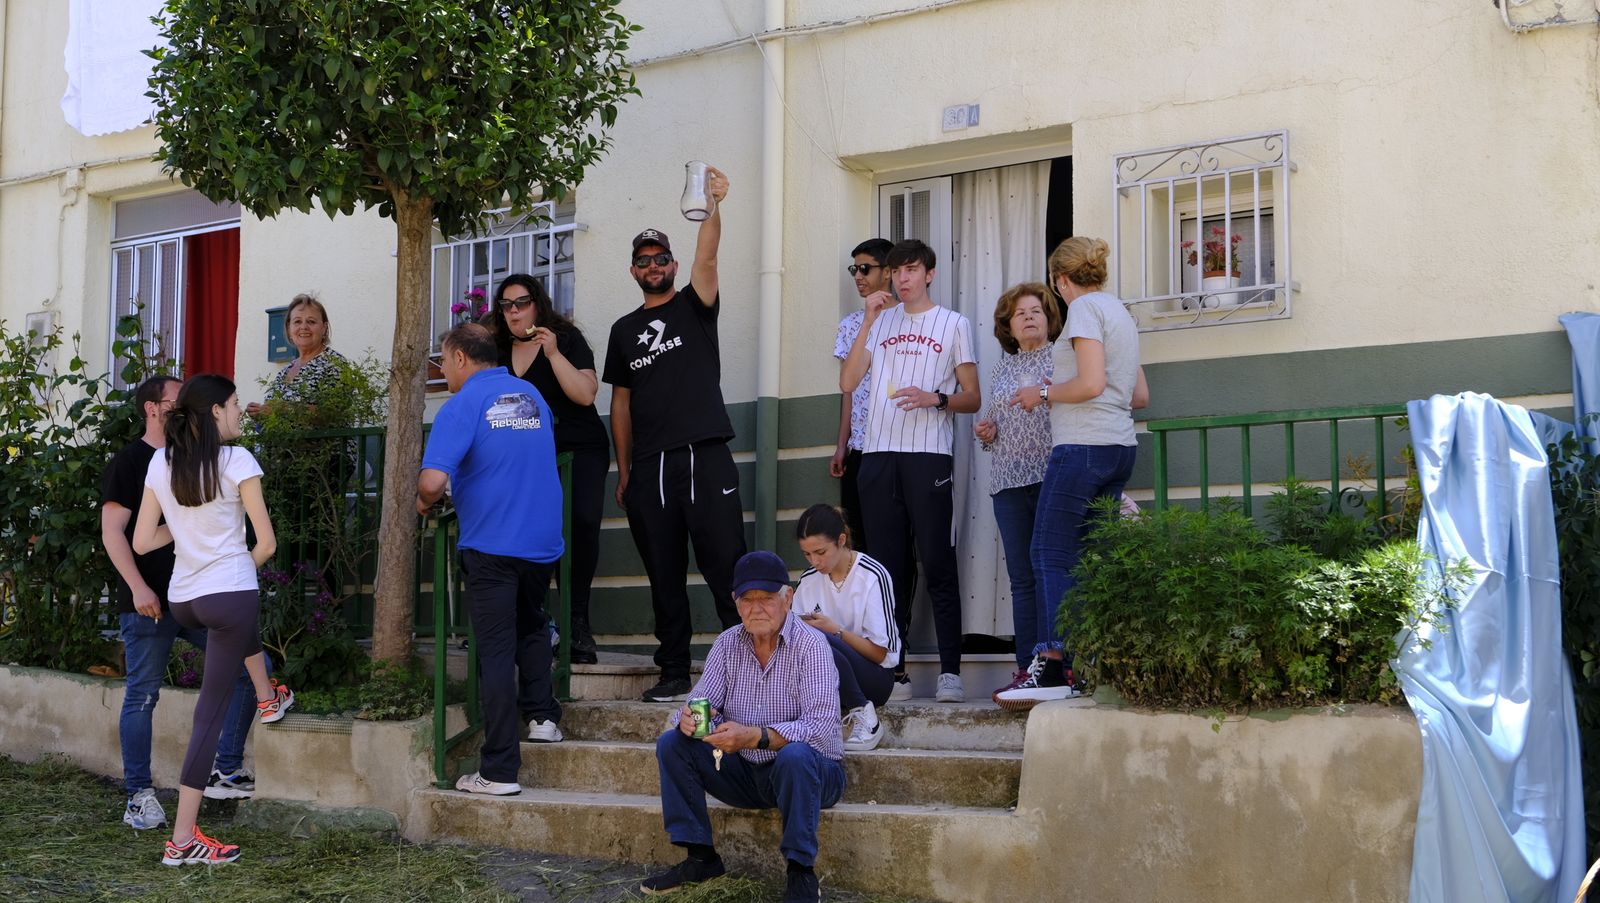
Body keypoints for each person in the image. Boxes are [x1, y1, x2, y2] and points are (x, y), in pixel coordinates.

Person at [132, 374, 294, 866]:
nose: (240, 412)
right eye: (234, 405)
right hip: (227, 593)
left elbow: (141, 541)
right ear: (216, 412)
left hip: (184, 598)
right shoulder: (237, 460)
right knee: (209, 714)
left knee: (235, 627)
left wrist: (184, 533)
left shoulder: (162, 461)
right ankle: (183, 841)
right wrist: (235, 569)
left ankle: (268, 698)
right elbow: (265, 544)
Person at [602, 165, 747, 704]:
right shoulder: (622, 330)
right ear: (634, 271)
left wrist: (713, 205)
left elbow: (708, 255)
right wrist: (625, 467)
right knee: (664, 575)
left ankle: (747, 670)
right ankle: (674, 672)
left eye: (662, 258)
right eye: (644, 261)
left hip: (705, 456)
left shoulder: (694, 305)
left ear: (673, 265)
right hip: (650, 468)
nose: (654, 266)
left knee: (727, 567)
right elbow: (620, 402)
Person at [102, 375, 267, 831]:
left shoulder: (199, 459)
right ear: (152, 408)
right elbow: (117, 534)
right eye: (175, 402)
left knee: (247, 671)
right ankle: (139, 794)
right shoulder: (133, 462)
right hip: (151, 598)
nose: (182, 409)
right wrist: (138, 588)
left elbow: (175, 523)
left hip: (191, 594)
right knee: (142, 695)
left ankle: (226, 769)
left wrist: (186, 520)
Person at [997, 237, 1148, 710]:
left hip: (1082, 447)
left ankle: (1053, 664)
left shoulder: (1083, 312)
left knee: (1047, 552)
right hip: (1119, 446)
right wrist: (1061, 389)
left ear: (1061, 281)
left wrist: (1041, 395)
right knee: (1082, 558)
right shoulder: (1120, 312)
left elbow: (1090, 383)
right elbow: (1137, 394)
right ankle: (1083, 667)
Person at [643, 550, 845, 902]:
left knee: (795, 756)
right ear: (735, 604)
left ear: (787, 598)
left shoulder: (811, 646)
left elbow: (823, 726)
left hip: (812, 773)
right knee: (673, 743)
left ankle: (801, 872)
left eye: (766, 599)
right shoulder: (727, 643)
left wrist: (756, 736)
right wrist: (690, 720)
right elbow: (696, 702)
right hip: (747, 773)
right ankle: (701, 858)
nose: (756, 609)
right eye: (747, 600)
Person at [418, 323, 567, 795]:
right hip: (541, 542)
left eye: (443, 362)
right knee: (533, 626)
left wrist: (424, 506)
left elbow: (431, 483)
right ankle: (542, 716)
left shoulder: (461, 405)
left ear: (461, 358)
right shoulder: (530, 396)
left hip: (493, 544)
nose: (444, 372)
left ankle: (499, 770)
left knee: (496, 653)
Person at [839, 238, 980, 703]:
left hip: (928, 456)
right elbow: (848, 381)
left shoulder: (953, 323)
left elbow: (972, 397)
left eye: (911, 270)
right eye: (897, 271)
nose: (902, 278)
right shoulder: (878, 321)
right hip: (877, 456)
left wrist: (934, 398)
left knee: (937, 562)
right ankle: (894, 672)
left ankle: (950, 672)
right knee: (887, 570)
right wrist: (871, 320)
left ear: (929, 274)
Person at [491, 274, 608, 664]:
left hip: (580, 448)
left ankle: (578, 624)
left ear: (537, 304)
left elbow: (586, 393)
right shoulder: (497, 351)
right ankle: (540, 625)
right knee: (535, 535)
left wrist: (554, 353)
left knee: (580, 526)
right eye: (507, 305)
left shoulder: (566, 338)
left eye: (522, 303)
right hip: (531, 458)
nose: (514, 312)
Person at [972, 283, 1063, 698]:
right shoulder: (1000, 369)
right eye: (1019, 313)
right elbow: (992, 430)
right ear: (1008, 326)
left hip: (1051, 478)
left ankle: (1057, 666)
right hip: (1008, 482)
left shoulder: (1064, 358)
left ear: (1049, 319)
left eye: (1036, 311)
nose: (1028, 317)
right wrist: (986, 433)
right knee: (1022, 580)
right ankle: (1027, 666)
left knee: (1051, 574)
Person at [791, 503, 899, 752]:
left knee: (818, 636)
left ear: (841, 540)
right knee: (800, 634)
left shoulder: (872, 575)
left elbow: (880, 654)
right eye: (807, 554)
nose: (814, 561)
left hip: (873, 681)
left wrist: (836, 631)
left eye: (820, 552)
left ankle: (865, 715)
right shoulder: (808, 581)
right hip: (823, 681)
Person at [830, 238, 896, 553]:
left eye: (865, 268)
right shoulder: (850, 325)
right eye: (854, 269)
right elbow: (848, 391)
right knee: (857, 537)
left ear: (888, 272)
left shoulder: (908, 318)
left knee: (894, 538)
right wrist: (842, 445)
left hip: (897, 445)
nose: (858, 276)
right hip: (860, 447)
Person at [246, 294, 349, 416]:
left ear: (324, 328)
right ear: (289, 328)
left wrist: (282, 410)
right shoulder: (285, 371)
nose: (304, 327)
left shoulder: (334, 363)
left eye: (311, 321)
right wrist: (259, 412)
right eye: (297, 321)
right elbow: (274, 413)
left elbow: (334, 413)